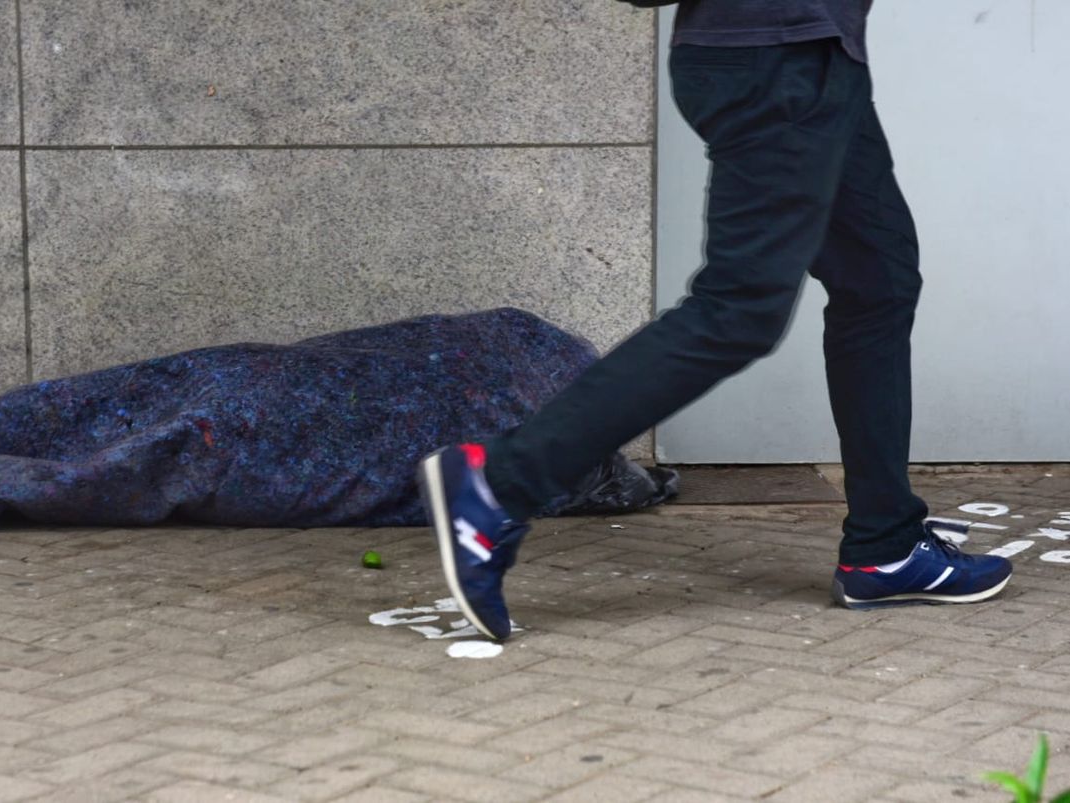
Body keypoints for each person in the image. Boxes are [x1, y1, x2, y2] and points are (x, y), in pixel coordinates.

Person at [417, 0, 1013, 641]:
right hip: (780, 56)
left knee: (879, 281)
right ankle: (499, 482)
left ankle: (885, 546)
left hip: (809, 55)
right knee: (740, 306)